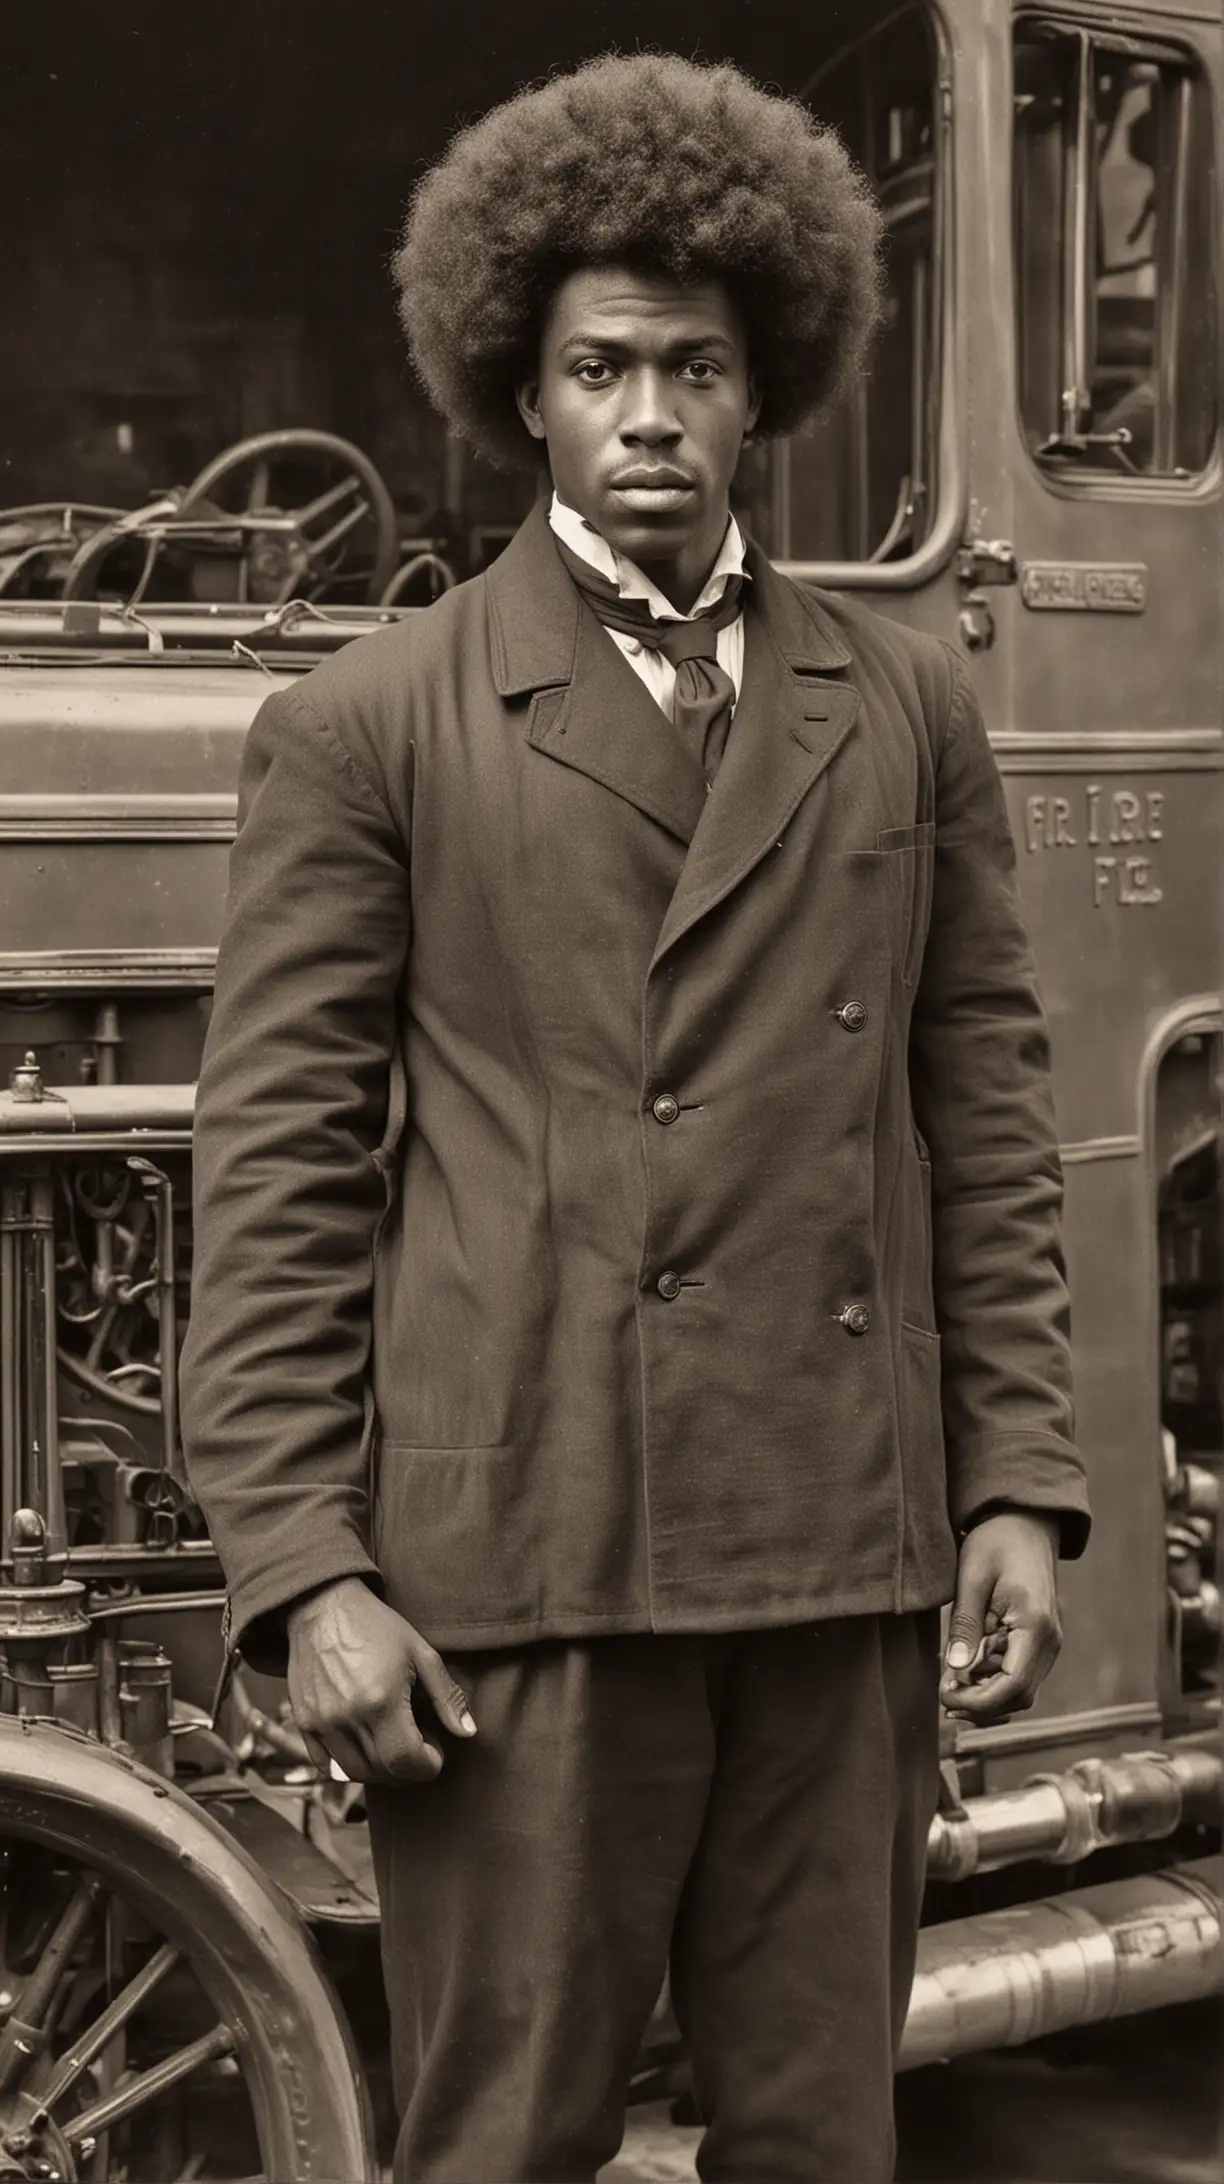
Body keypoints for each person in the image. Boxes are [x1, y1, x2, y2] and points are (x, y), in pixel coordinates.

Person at [180, 52, 1090, 2184]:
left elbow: (992, 1111)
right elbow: (282, 1178)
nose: (655, 417)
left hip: (835, 1561)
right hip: (526, 1570)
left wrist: (1020, 1484)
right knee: (501, 2143)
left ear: (765, 384)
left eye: (696, 367)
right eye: (605, 370)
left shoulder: (903, 707)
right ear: (525, 391)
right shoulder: (370, 724)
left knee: (820, 2138)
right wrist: (306, 1570)